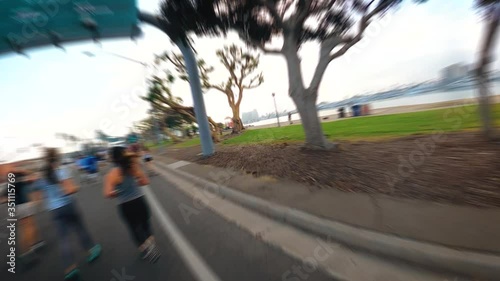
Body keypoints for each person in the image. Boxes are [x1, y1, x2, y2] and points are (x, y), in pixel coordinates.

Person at [32, 148, 101, 280]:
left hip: (54, 210)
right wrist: (77, 187)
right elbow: (69, 190)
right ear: (57, 159)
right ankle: (92, 250)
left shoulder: (41, 176)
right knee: (80, 228)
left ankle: (70, 268)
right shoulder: (61, 171)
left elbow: (38, 199)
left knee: (63, 238)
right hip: (68, 206)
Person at [104, 146, 160, 263]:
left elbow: (108, 194)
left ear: (113, 159)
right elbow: (145, 182)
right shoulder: (133, 168)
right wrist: (136, 181)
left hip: (125, 205)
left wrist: (118, 192)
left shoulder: (112, 174)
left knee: (134, 228)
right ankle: (151, 245)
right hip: (139, 200)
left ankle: (145, 249)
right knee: (145, 224)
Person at [3, 163, 45, 264]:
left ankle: (31, 247)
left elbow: (5, 198)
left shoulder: (10, 183)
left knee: (25, 228)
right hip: (24, 206)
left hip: (16, 207)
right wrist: (22, 171)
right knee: (28, 228)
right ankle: (28, 252)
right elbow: (35, 176)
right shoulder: (20, 180)